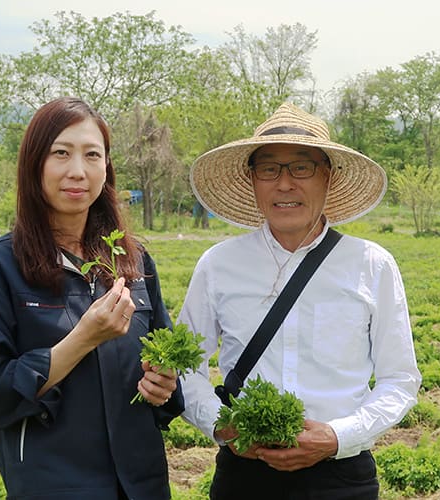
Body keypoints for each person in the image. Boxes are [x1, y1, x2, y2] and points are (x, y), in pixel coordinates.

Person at [178, 102, 421, 499]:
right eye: (269, 169)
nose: (285, 184)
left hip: (342, 477)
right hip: (245, 475)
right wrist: (221, 424)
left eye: (302, 167)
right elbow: (187, 369)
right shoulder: (218, 265)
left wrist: (338, 436)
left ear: (328, 176)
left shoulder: (371, 264)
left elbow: (400, 380)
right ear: (252, 180)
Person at [0, 97, 182, 499]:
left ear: (106, 168)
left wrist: (163, 384)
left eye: (92, 155)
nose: (77, 171)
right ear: (34, 164)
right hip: (55, 485)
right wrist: (83, 338)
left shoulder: (132, 261)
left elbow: (166, 364)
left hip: (141, 484)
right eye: (60, 153)